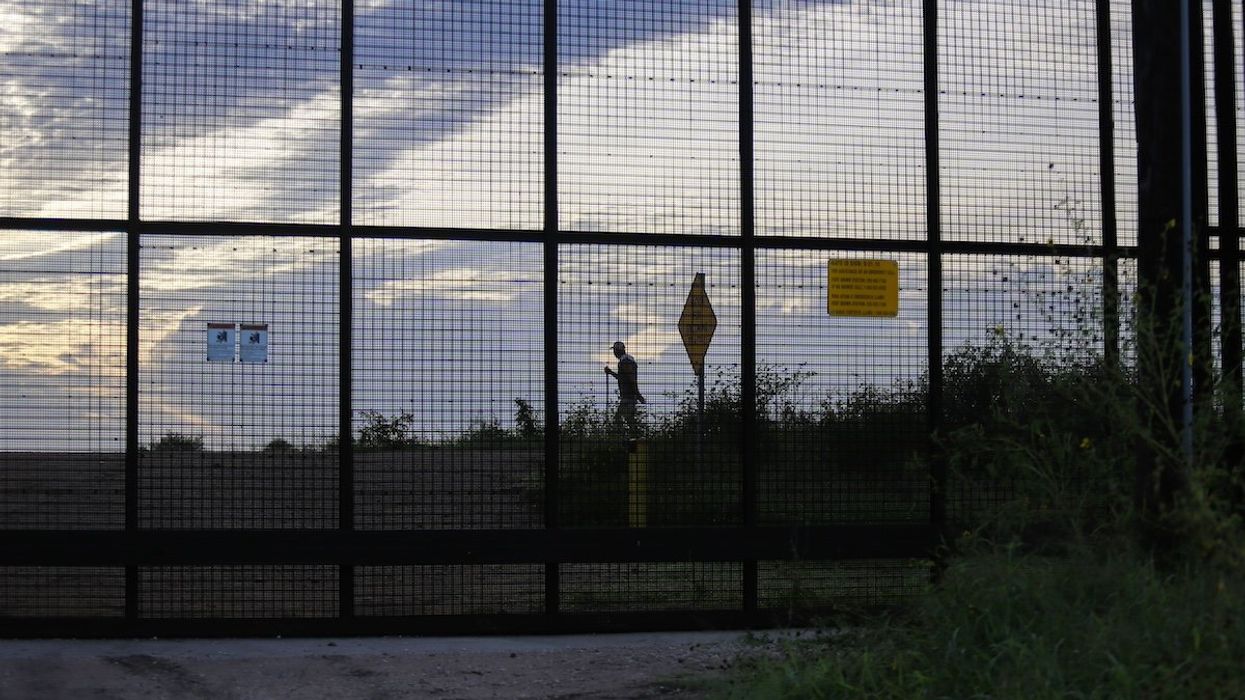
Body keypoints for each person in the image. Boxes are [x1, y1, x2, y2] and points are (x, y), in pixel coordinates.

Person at [604, 341, 645, 434]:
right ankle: (634, 436)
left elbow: (631, 378)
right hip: (628, 396)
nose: (614, 353)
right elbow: (623, 378)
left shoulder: (625, 361)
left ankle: (632, 437)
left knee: (620, 419)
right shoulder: (624, 361)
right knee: (627, 419)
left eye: (615, 350)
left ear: (618, 351)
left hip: (629, 396)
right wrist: (610, 372)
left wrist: (638, 394)